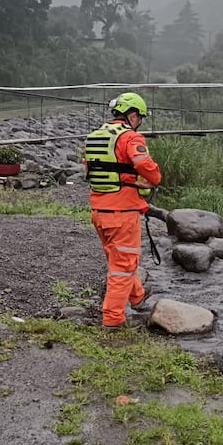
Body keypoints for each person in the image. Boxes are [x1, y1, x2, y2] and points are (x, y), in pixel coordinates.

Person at [84, 92, 162, 328]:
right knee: (123, 266)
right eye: (140, 117)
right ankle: (113, 319)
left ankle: (137, 297)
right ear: (132, 115)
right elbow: (143, 164)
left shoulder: (94, 136)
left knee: (119, 260)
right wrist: (153, 180)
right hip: (123, 213)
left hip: (99, 211)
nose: (140, 122)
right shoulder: (130, 137)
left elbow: (89, 168)